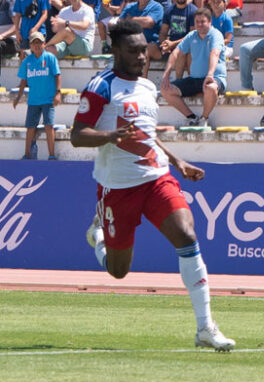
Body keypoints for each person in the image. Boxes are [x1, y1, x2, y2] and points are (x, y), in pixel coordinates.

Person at [70, 20, 235, 351]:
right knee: (119, 272)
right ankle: (99, 237)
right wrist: (111, 136)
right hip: (117, 188)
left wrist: (177, 162)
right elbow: (77, 135)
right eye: (133, 51)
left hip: (156, 178)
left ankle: (205, 328)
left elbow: (147, 135)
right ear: (115, 51)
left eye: (144, 50)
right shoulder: (101, 86)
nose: (142, 57)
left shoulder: (147, 87)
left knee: (187, 235)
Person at [161, 8, 226, 128]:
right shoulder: (191, 35)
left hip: (215, 78)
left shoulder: (216, 35)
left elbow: (215, 53)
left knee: (211, 88)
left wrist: (210, 75)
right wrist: (166, 74)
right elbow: (175, 53)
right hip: (194, 79)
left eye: (203, 21)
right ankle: (191, 117)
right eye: (197, 22)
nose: (200, 25)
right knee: (165, 89)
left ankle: (204, 119)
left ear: (210, 21)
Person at [13, 31, 60, 160]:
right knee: (30, 127)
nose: (37, 45)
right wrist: (18, 96)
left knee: (49, 126)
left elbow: (57, 75)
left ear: (44, 44)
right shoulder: (27, 61)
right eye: (34, 43)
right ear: (30, 45)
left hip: (48, 99)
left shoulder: (50, 58)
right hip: (33, 100)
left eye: (39, 42)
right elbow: (23, 81)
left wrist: (58, 93)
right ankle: (27, 154)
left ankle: (51, 155)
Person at [145, 0, 196, 78]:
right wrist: (164, 44)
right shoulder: (169, 10)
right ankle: (143, 82)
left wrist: (173, 44)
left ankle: (178, 84)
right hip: (170, 46)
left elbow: (192, 35)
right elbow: (163, 32)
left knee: (180, 51)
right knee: (147, 49)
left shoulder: (193, 11)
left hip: (185, 48)